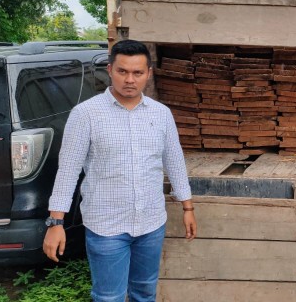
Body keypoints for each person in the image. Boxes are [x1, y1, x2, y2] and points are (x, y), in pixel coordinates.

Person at [43, 39, 197, 302]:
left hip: (151, 223)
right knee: (108, 297)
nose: (130, 79)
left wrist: (188, 207)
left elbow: (174, 160)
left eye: (137, 73)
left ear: (148, 73)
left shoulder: (161, 114)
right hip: (106, 226)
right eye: (122, 71)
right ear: (110, 69)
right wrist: (55, 223)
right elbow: (68, 170)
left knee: (145, 293)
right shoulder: (86, 114)